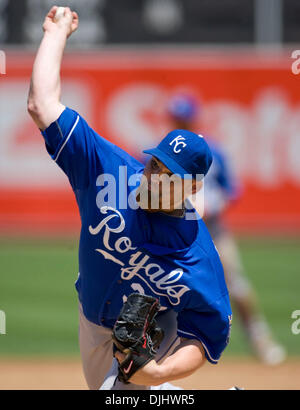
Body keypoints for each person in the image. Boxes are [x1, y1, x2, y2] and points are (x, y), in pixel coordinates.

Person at [27, 7, 233, 390]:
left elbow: (207, 337)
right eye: (155, 163)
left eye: (168, 174)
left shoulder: (198, 259)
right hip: (91, 315)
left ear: (191, 188)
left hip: (156, 328)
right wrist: (55, 35)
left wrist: (159, 372)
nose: (154, 177)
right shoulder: (109, 172)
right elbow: (42, 105)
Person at [167, 92, 286, 366]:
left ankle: (261, 340)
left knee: (237, 286)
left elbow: (232, 189)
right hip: (174, 235)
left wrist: (210, 204)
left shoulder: (214, 151)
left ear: (193, 119)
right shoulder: (160, 151)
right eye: (176, 118)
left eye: (184, 118)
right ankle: (166, 348)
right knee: (165, 286)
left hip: (214, 230)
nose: (180, 123)